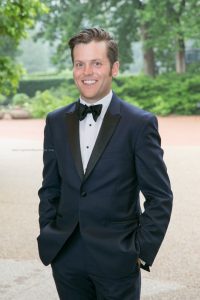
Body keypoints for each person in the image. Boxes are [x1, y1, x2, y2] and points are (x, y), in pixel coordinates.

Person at [37, 27, 173, 300]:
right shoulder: (55, 121)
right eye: (80, 64)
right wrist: (49, 234)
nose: (87, 72)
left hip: (118, 260)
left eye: (96, 63)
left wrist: (138, 252)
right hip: (66, 258)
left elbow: (160, 196)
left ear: (115, 68)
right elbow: (50, 187)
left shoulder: (139, 123)